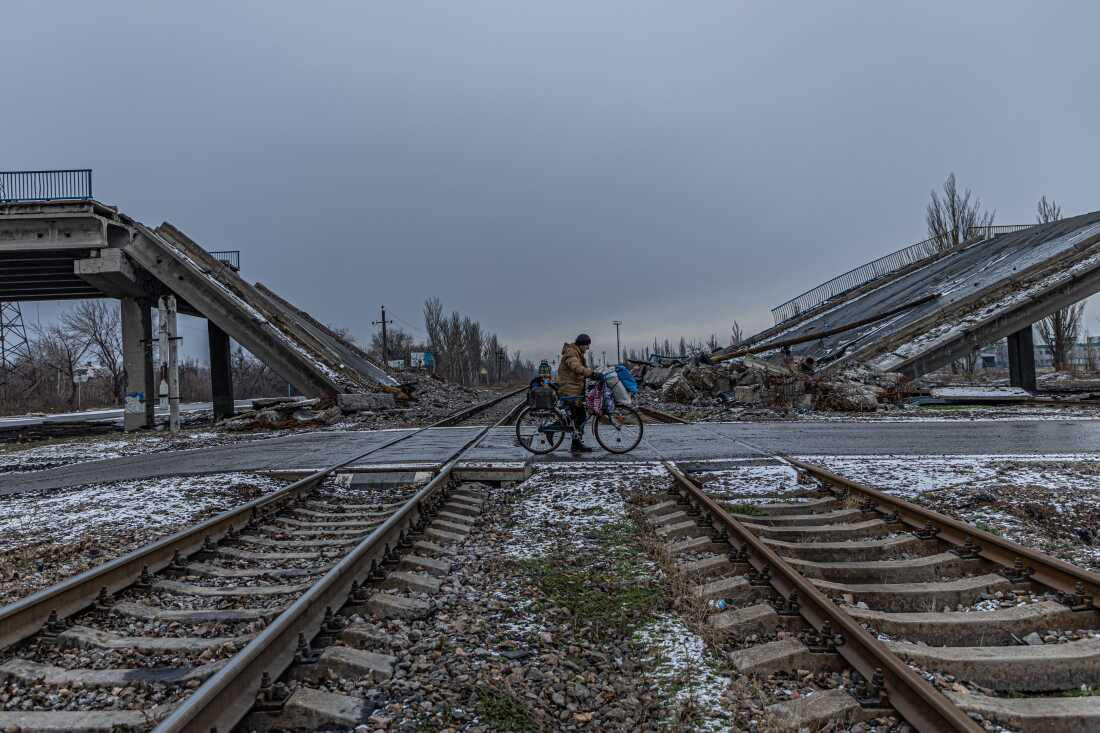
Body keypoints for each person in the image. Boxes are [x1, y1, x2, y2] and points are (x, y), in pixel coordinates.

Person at [558, 334, 599, 453]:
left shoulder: (577, 353)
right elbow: (576, 367)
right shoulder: (571, 353)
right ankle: (576, 444)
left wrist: (592, 374)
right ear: (581, 344)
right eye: (587, 345)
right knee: (580, 416)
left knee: (577, 417)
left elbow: (581, 369)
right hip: (569, 390)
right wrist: (591, 374)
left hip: (573, 389)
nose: (588, 348)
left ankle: (576, 443)